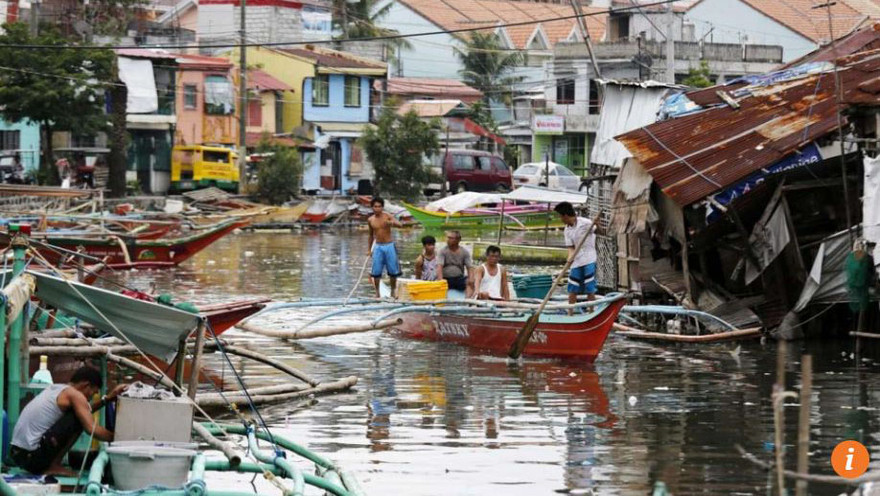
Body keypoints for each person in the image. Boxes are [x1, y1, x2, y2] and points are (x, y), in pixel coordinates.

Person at [11, 366, 127, 475]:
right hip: (33, 458)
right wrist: (123, 438)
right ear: (87, 385)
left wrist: (106, 400)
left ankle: (53, 464)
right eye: (94, 392)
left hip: (19, 456)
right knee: (81, 421)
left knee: (80, 416)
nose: (92, 396)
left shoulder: (57, 389)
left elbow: (85, 411)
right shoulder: (74, 395)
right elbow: (92, 429)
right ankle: (54, 465)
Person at [554, 202, 601, 313]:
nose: (560, 219)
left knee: (589, 286)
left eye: (560, 216)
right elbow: (571, 248)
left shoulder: (585, 223)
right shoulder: (567, 230)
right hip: (576, 260)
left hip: (589, 258)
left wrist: (597, 224)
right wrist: (569, 259)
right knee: (572, 286)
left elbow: (600, 232)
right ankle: (570, 313)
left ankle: (591, 312)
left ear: (565, 215)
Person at [367, 197, 403, 298]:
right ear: (372, 208)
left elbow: (400, 225)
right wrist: (369, 250)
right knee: (376, 272)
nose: (377, 208)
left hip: (389, 246)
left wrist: (392, 223)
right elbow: (370, 235)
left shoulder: (387, 216)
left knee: (393, 271)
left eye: (379, 206)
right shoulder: (370, 220)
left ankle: (393, 291)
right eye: (375, 206)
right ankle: (377, 292)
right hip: (378, 246)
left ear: (382, 207)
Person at [437, 230, 473, 295]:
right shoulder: (442, 251)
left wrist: (471, 279)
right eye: (448, 238)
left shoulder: (464, 252)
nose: (448, 240)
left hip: (459, 278)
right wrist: (441, 281)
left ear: (458, 240)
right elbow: (439, 266)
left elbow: (469, 268)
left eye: (451, 238)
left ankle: (468, 301)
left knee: (470, 282)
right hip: (446, 279)